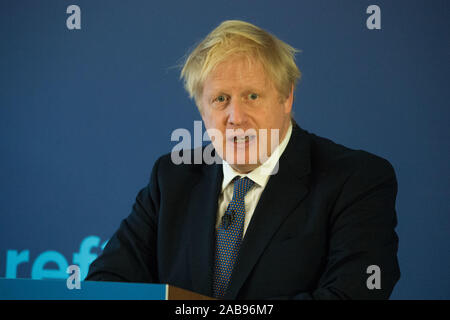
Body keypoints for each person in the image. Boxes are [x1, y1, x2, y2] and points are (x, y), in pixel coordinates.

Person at [86, 20, 400, 299]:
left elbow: (355, 293)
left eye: (252, 96)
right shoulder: (172, 178)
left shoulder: (356, 179)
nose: (236, 117)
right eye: (220, 99)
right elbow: (106, 284)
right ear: (201, 108)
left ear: (286, 97)